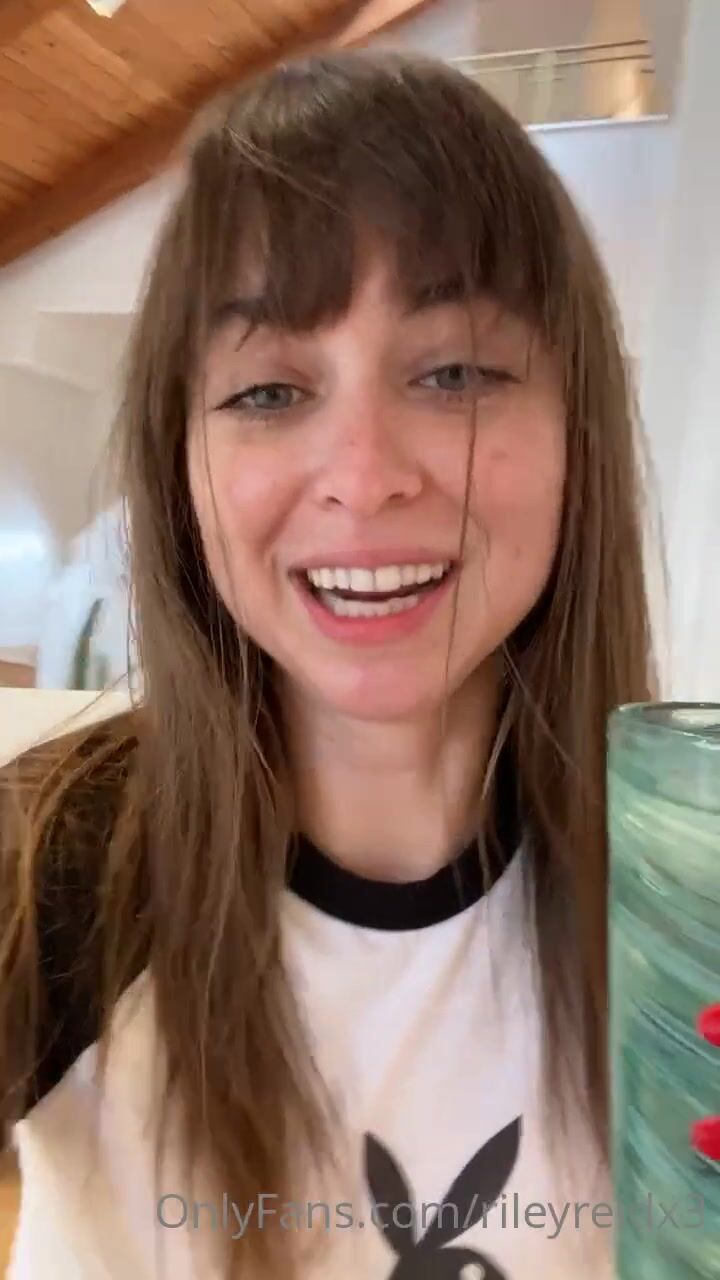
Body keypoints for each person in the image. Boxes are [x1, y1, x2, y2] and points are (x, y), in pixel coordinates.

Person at [0, 49, 658, 1280]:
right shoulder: (48, 864)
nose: (365, 475)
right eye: (267, 391)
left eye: (455, 373)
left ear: (578, 433)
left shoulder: (681, 891)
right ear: (179, 460)